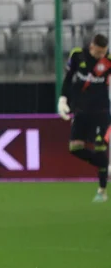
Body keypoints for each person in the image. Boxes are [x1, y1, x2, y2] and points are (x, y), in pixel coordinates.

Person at [58, 33, 111, 202]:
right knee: (75, 148)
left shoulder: (108, 60)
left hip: (101, 111)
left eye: (104, 52)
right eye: (99, 52)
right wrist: (63, 99)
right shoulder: (77, 55)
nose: (101, 56)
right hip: (81, 110)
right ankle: (104, 165)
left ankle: (102, 191)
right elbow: (68, 79)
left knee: (100, 145)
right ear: (92, 46)